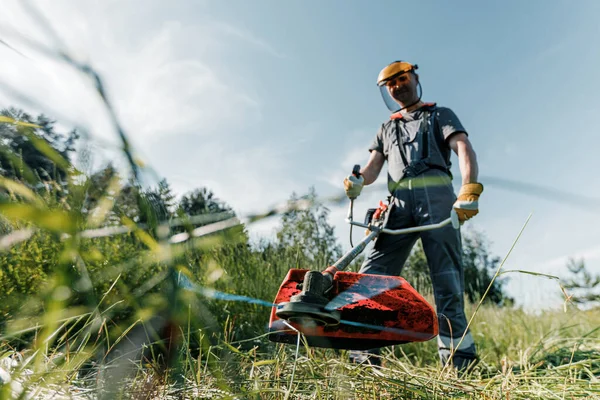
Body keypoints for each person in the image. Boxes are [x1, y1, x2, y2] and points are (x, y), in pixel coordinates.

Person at [344, 60, 483, 371]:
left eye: (402, 79)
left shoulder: (439, 114)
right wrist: (357, 181)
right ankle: (364, 358)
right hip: (398, 204)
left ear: (414, 78)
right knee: (372, 275)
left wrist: (468, 190)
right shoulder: (386, 128)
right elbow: (372, 168)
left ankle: (459, 360)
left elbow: (463, 147)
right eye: (391, 84)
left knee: (445, 279)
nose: (397, 86)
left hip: (437, 196)